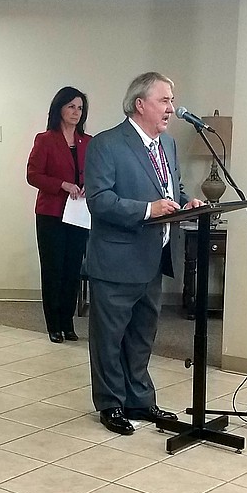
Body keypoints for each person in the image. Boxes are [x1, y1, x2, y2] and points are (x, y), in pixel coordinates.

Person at [84, 72, 204, 436]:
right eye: (164, 100)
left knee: (141, 335)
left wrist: (188, 204)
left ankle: (139, 398)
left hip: (154, 259)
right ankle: (110, 404)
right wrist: (149, 210)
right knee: (109, 337)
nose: (171, 108)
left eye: (171, 100)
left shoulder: (166, 145)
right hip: (116, 259)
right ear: (140, 104)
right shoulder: (107, 144)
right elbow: (100, 201)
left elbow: (173, 190)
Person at [26, 86, 91, 344]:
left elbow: (95, 172)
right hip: (51, 213)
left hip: (79, 214)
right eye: (71, 107)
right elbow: (33, 175)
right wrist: (61, 185)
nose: (76, 112)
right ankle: (54, 324)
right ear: (59, 108)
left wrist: (90, 186)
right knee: (53, 269)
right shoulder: (45, 139)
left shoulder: (89, 141)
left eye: (80, 108)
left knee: (72, 269)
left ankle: (67, 323)